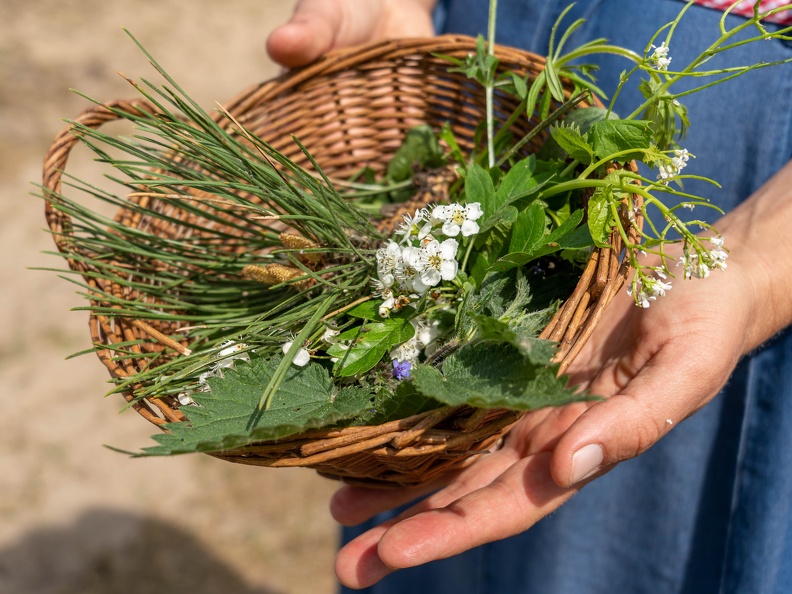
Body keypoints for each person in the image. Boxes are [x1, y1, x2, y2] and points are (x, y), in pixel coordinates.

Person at [267, 1, 792, 592]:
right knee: (427, 464)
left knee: (619, 520)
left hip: (759, 125)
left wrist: (758, 256)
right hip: (483, 53)